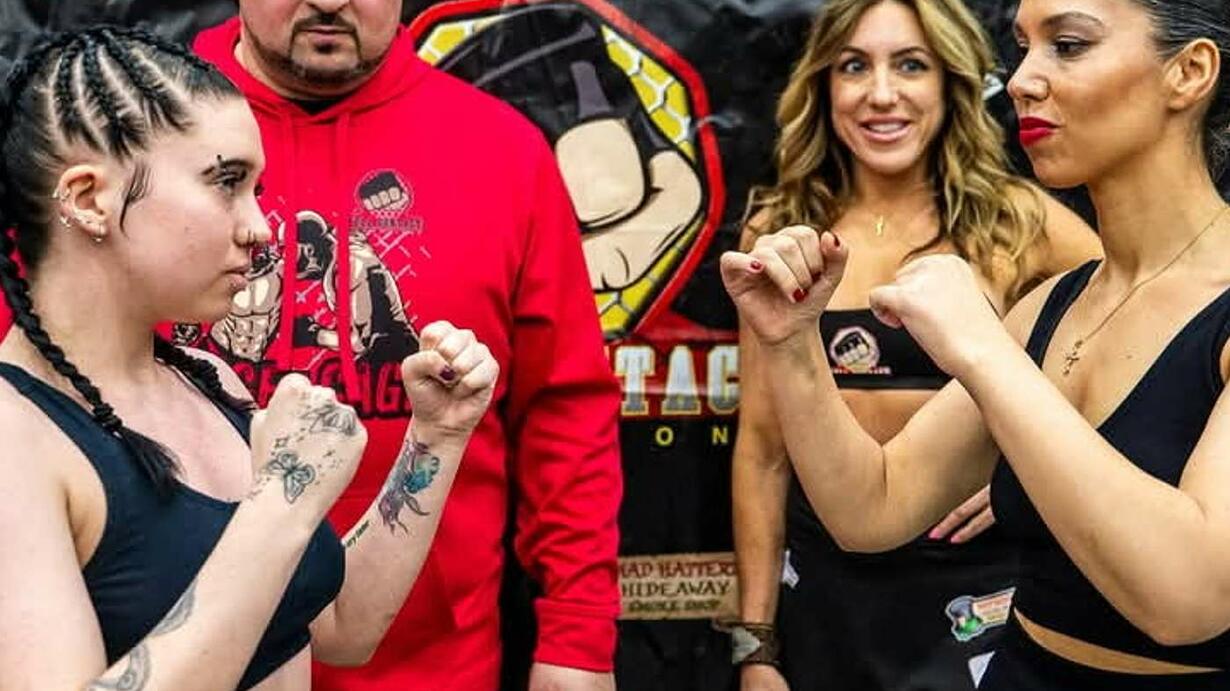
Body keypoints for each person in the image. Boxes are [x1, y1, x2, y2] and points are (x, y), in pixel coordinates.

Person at [723, 0, 1230, 687]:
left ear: (1189, 72)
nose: (1020, 80)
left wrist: (982, 350)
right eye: (1022, 48)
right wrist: (791, 340)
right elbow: (871, 506)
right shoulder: (1056, 306)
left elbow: (1187, 600)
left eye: (1068, 45)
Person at [0, 26, 498, 690]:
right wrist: (281, 501)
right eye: (226, 182)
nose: (260, 227)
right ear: (90, 200)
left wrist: (434, 437)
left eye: (256, 189)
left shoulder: (207, 380)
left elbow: (342, 630)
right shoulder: (14, 437)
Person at [186, 2, 623, 689]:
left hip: (428, 664)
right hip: (176, 654)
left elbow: (565, 409)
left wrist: (577, 638)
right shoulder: (145, 134)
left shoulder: (498, 149)